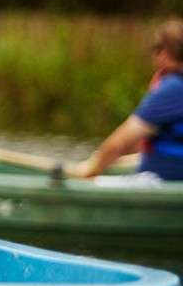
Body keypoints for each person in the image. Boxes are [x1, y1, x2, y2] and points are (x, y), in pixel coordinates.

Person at [73, 19, 183, 181]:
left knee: (102, 182)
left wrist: (91, 168)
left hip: (160, 182)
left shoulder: (173, 88)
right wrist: (108, 159)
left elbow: (121, 141)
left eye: (155, 49)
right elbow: (143, 140)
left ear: (165, 52)